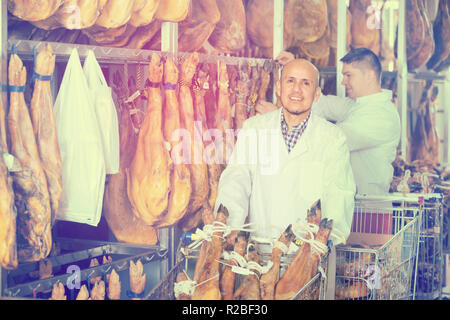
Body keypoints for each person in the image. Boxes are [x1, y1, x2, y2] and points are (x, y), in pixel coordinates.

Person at [214, 58, 356, 248]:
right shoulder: (254, 129)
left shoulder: (333, 138)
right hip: (259, 252)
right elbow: (236, 180)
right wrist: (230, 226)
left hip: (305, 256)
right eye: (290, 81)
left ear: (316, 94)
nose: (297, 89)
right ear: (279, 88)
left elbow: (339, 194)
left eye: (306, 83)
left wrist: (325, 242)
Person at [257, 48, 401, 196]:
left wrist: (277, 116)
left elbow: (331, 139)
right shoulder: (358, 106)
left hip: (369, 212)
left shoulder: (381, 115)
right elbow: (322, 103)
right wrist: (297, 70)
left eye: (348, 75)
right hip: (355, 204)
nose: (343, 82)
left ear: (370, 76)